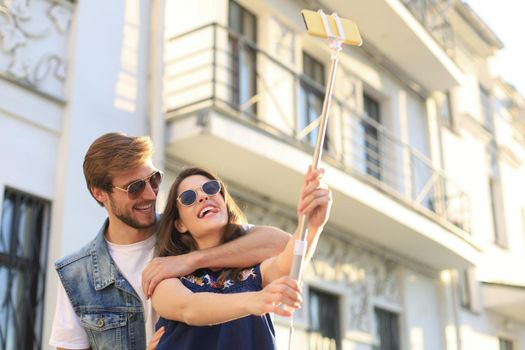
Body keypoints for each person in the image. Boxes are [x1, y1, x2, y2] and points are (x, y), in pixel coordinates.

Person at [49, 132, 290, 350]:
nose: (151, 194)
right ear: (99, 193)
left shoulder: (191, 228)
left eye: (153, 179)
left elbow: (280, 244)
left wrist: (192, 259)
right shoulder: (78, 275)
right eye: (134, 187)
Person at [152, 165, 332, 349]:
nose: (203, 196)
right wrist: (256, 300)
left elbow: (289, 262)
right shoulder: (166, 275)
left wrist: (311, 226)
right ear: (180, 224)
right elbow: (189, 308)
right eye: (188, 197)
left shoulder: (254, 272)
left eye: (211, 188)